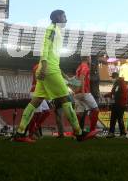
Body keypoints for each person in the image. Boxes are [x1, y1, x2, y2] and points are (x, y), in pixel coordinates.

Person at [13, 10, 96, 143]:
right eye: (64, 16)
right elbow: (45, 46)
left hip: (50, 68)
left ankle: (20, 133)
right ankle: (79, 133)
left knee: (36, 101)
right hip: (50, 69)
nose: (66, 19)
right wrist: (45, 65)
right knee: (66, 98)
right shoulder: (51, 29)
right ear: (58, 17)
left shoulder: (56, 30)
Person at [75, 56, 100, 134]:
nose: (90, 59)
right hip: (85, 92)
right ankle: (92, 131)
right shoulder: (85, 66)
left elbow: (76, 79)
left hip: (77, 93)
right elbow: (82, 77)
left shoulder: (78, 67)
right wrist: (82, 91)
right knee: (96, 110)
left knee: (80, 114)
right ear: (87, 58)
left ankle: (77, 132)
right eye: (90, 57)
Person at [26, 63, 51, 140]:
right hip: (36, 92)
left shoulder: (42, 66)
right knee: (36, 113)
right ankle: (30, 134)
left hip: (39, 92)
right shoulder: (39, 67)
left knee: (47, 111)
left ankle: (35, 128)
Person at [105, 72, 128, 138]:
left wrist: (110, 96)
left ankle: (122, 133)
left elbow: (116, 93)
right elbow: (115, 92)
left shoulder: (119, 83)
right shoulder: (120, 82)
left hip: (119, 103)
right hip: (119, 103)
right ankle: (112, 132)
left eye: (112, 77)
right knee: (114, 118)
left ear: (115, 77)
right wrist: (108, 95)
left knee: (118, 118)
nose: (112, 79)